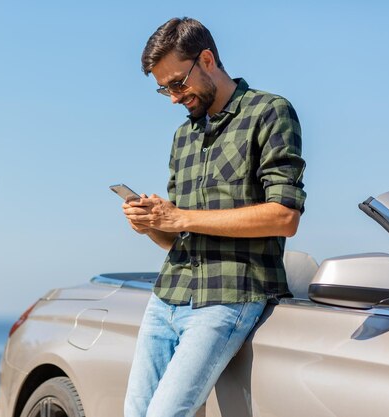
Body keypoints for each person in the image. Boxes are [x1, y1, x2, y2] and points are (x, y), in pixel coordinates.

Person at [121, 17, 307, 417]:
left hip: (230, 295)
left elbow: (284, 216)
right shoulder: (183, 137)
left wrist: (181, 217)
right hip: (167, 295)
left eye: (177, 83)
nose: (173, 97)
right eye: (163, 89)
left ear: (207, 59)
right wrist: (153, 225)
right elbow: (179, 237)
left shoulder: (270, 112)